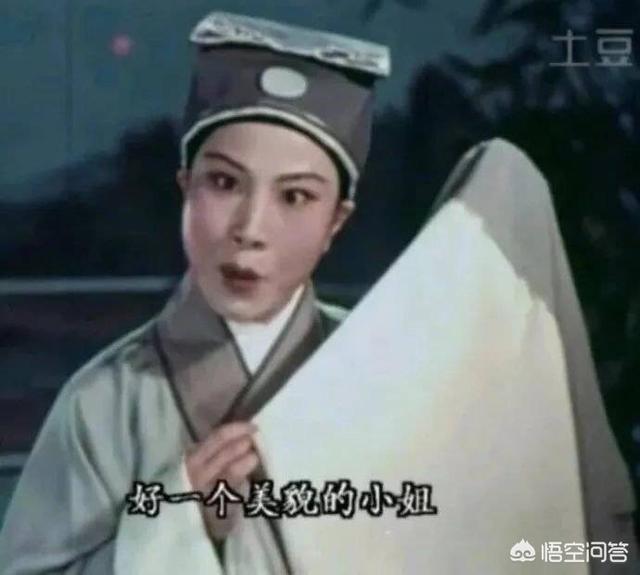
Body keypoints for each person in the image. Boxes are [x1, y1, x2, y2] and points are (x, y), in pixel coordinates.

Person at [0, 11, 390, 574]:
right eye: (225, 183)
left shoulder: (382, 368)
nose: (250, 229)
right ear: (186, 188)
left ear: (336, 221)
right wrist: (175, 528)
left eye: (295, 197)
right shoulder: (103, 402)